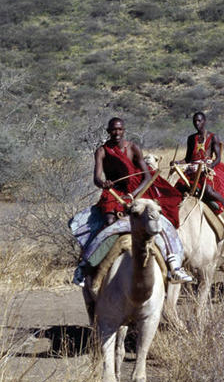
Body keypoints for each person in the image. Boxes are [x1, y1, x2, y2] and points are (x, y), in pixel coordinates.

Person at [72, 117, 193, 286]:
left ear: (124, 130)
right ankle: (86, 266)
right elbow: (96, 178)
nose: (117, 133)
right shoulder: (102, 151)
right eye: (113, 129)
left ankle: (174, 266)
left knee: (157, 220)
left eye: (120, 129)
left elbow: (147, 176)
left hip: (138, 191)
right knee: (109, 222)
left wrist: (133, 195)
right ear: (108, 131)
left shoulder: (133, 148)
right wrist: (104, 184)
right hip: (113, 193)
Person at [172, 112, 224, 221]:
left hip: (207, 168)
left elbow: (218, 158)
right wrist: (177, 162)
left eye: (199, 121)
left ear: (204, 121)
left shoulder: (213, 137)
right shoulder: (191, 138)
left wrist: (209, 166)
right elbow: (188, 158)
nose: (196, 123)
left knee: (207, 189)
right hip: (192, 170)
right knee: (179, 188)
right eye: (194, 121)